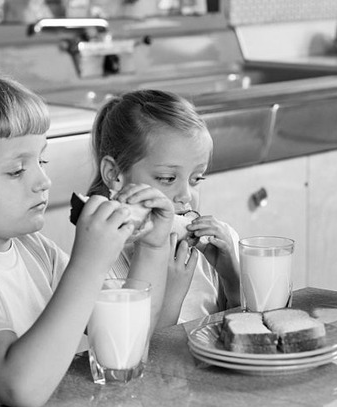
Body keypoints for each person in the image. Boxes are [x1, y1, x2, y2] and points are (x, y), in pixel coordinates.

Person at [0, 75, 174, 407]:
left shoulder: (33, 248)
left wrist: (153, 249)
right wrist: (88, 265)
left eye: (41, 161)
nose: (44, 181)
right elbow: (19, 389)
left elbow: (126, 341)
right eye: (16, 171)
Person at [87, 89, 240, 324]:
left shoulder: (216, 247)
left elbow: (247, 334)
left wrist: (232, 277)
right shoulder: (100, 264)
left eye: (196, 179)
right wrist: (170, 296)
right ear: (114, 174)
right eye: (168, 179)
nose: (186, 196)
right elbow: (137, 354)